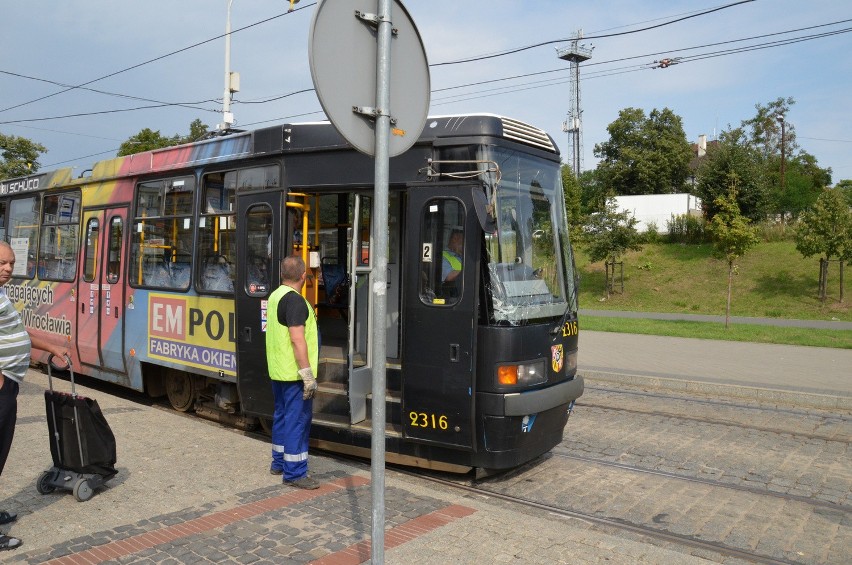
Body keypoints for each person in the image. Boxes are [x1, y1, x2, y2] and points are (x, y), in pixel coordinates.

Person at [0, 241, 69, 551]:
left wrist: (51, 348)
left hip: (9, 384)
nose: (7, 269)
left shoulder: (1, 293)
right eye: (2, 263)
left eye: (11, 264)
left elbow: (17, 330)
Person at [266, 255, 319, 489]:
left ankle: (278, 462)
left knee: (281, 417)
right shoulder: (296, 302)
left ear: (282, 275)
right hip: (294, 375)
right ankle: (295, 473)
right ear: (303, 276)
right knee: (297, 421)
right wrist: (307, 374)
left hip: (277, 372)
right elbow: (297, 340)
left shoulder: (275, 296)